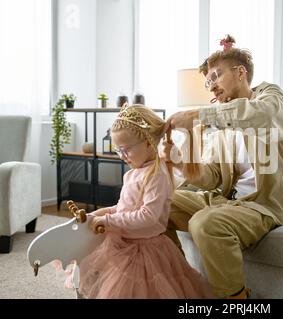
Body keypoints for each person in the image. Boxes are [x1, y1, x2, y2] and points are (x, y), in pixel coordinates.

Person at [162, 35, 283, 299]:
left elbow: (261, 115)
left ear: (240, 73)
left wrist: (197, 114)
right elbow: (212, 177)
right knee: (159, 202)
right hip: (226, 201)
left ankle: (236, 302)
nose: (212, 87)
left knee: (206, 223)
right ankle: (183, 285)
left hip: (264, 205)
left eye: (216, 76)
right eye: (208, 82)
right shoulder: (221, 125)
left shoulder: (271, 98)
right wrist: (180, 161)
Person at [74, 104, 214, 299]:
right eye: (118, 151)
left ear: (149, 143)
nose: (122, 156)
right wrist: (99, 214)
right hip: (125, 242)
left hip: (146, 250)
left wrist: (109, 221)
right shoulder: (134, 173)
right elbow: (124, 208)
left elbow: (147, 216)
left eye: (126, 150)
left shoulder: (156, 175)